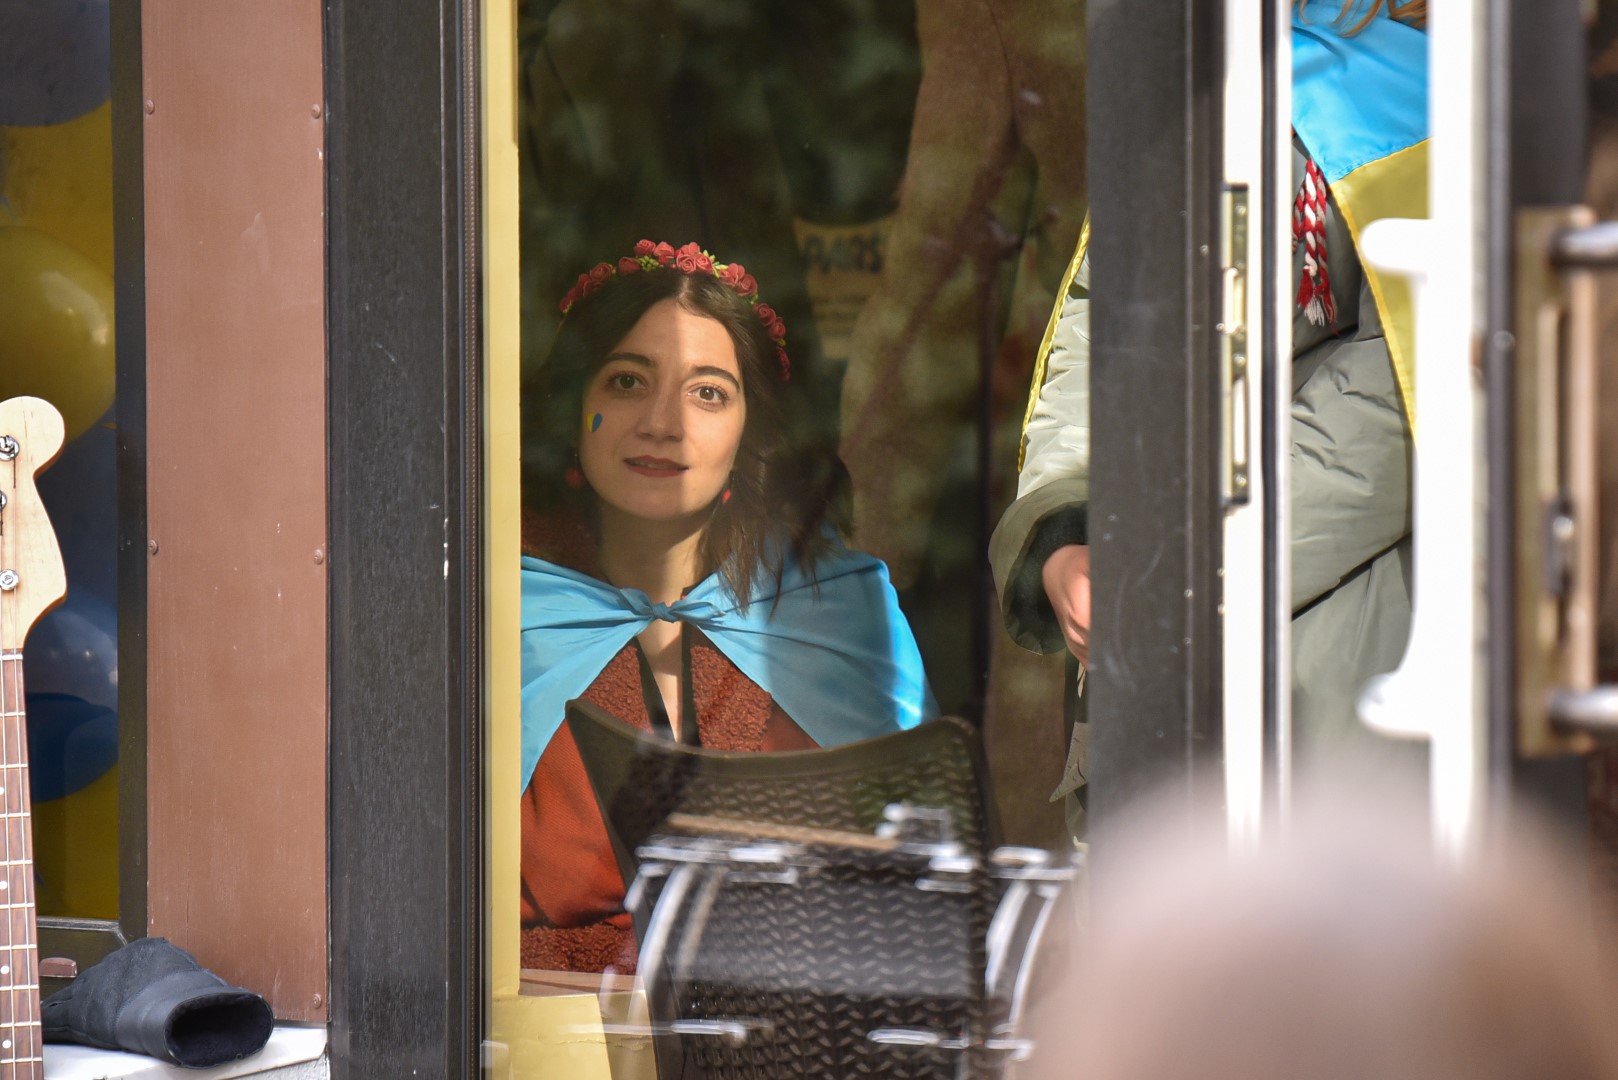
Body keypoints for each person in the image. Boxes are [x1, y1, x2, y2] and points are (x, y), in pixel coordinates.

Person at [991, 0, 1429, 792]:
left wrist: (1186, 570)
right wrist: (1063, 533)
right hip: (1156, 624)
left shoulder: (1446, 88)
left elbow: (1407, 386)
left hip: (1327, 659)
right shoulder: (1193, 70)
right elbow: (1103, 326)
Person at [517, 240, 938, 974]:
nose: (663, 423)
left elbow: (916, 882)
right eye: (627, 381)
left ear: (750, 434)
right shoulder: (495, 611)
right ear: (576, 407)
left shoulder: (838, 613)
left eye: (708, 392)